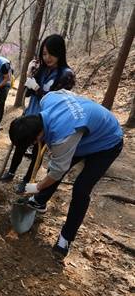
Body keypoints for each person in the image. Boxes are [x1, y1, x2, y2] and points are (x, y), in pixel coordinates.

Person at [9, 90, 123, 258]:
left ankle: (66, 238)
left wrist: (37, 186)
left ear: (38, 135)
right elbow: (64, 92)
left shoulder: (63, 138)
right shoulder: (48, 100)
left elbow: (57, 172)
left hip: (106, 142)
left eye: (33, 142)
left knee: (81, 189)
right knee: (56, 166)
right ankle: (39, 202)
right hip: (82, 134)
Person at [1, 34, 76, 193]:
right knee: (20, 145)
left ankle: (28, 179)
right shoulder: (42, 69)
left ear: (60, 52)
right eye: (44, 54)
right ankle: (11, 171)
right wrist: (30, 79)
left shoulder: (66, 74)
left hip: (46, 121)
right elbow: (29, 93)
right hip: (30, 115)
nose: (47, 58)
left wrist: (37, 89)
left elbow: (57, 102)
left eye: (51, 53)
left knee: (37, 151)